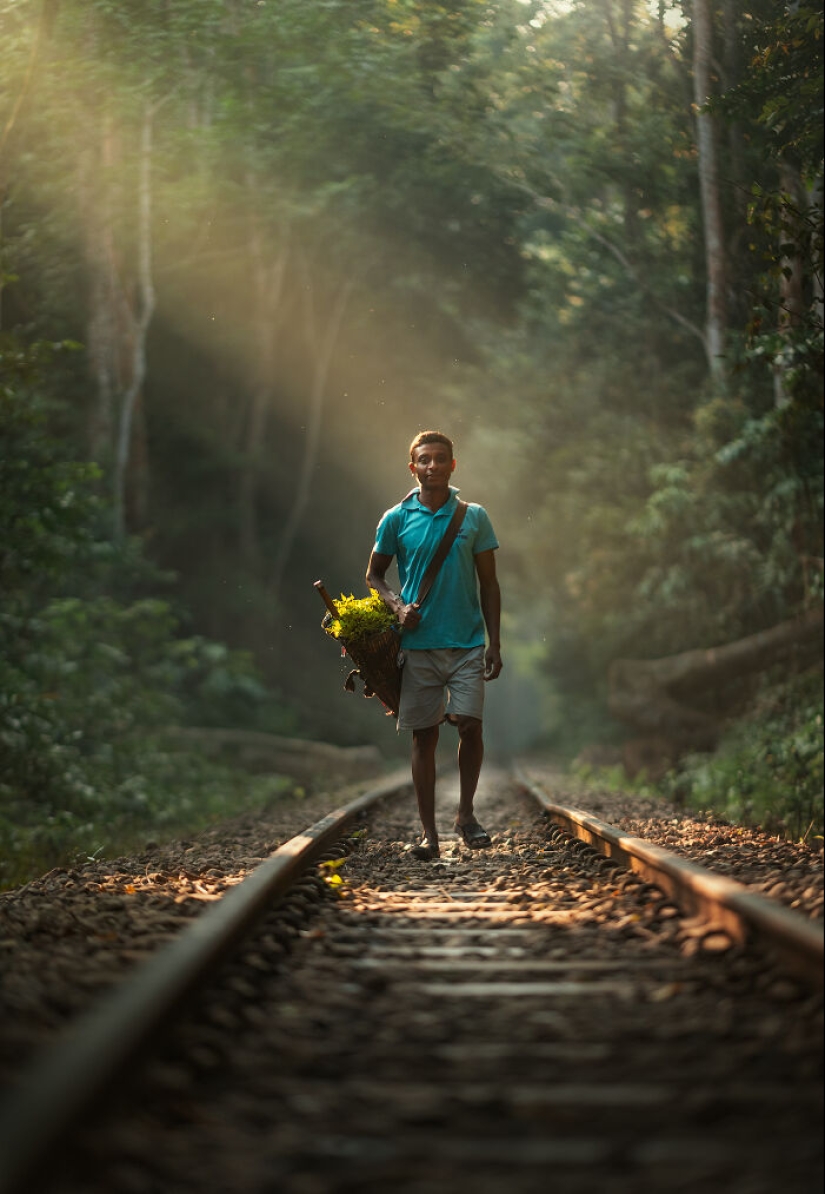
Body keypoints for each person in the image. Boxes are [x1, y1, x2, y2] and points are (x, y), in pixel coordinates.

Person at [366, 430, 502, 861]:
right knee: (423, 738)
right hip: (419, 645)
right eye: (424, 460)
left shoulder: (474, 516)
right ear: (413, 468)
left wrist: (494, 642)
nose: (432, 466)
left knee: (469, 725)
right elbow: (374, 575)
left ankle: (465, 814)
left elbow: (490, 583)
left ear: (452, 465)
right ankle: (429, 834)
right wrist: (397, 605)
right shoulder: (395, 518)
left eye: (440, 459)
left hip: (466, 644)